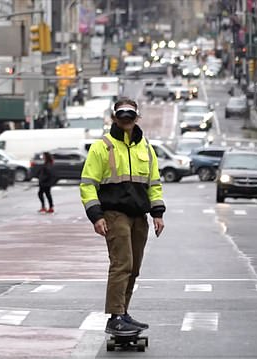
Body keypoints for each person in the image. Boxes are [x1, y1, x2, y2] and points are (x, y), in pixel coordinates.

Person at [79, 98, 166, 336]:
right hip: (114, 214)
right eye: (121, 115)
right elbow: (87, 184)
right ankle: (115, 316)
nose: (125, 119)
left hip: (140, 216)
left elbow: (154, 184)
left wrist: (157, 214)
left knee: (134, 267)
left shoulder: (146, 148)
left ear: (137, 117)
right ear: (114, 117)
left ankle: (124, 313)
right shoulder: (102, 147)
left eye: (130, 115)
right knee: (122, 264)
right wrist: (96, 216)